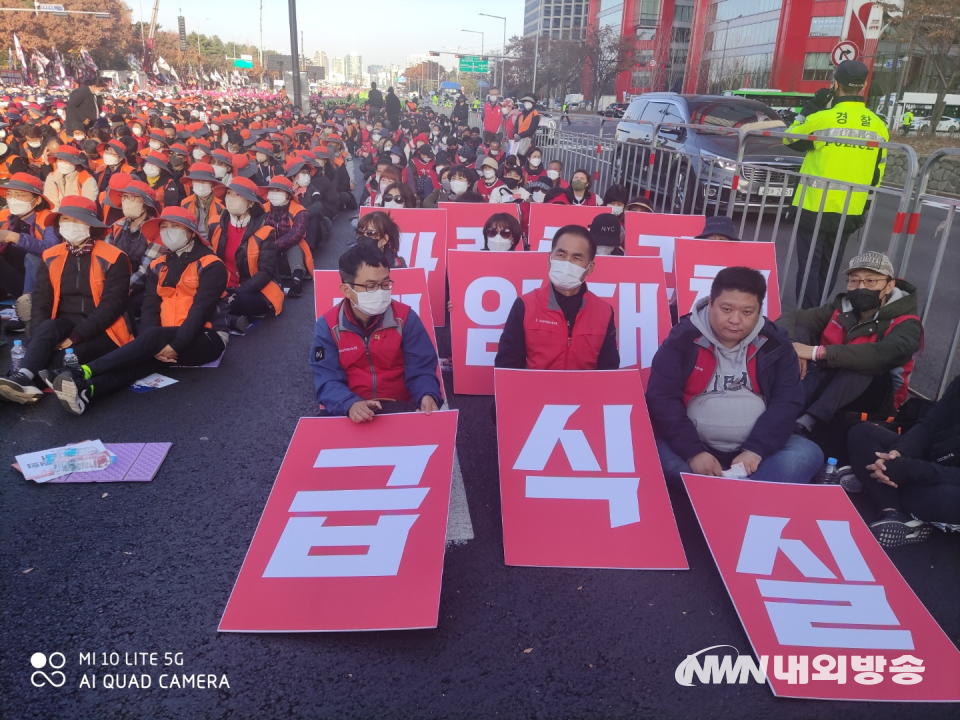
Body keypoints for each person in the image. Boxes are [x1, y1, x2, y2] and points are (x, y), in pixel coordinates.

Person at [647, 266, 823, 485]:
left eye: (747, 312)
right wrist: (693, 452)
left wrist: (756, 450)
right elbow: (662, 398)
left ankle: (716, 495)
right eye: (727, 309)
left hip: (758, 452)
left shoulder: (776, 343)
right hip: (694, 447)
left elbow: (787, 400)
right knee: (651, 455)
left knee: (806, 454)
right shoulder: (682, 339)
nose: (735, 320)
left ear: (759, 309)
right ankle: (749, 494)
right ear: (710, 303)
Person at [49, 207, 228, 416]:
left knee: (148, 344)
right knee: (142, 362)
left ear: (190, 232)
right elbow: (150, 306)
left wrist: (175, 345)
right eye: (164, 226)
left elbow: (201, 310)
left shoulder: (211, 264)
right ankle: (89, 390)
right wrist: (150, 345)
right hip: (166, 337)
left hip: (207, 336)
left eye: (175, 226)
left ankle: (82, 370)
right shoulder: (158, 264)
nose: (168, 231)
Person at [0, 197, 132, 404]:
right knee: (46, 330)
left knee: (61, 359)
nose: (70, 225)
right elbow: (42, 300)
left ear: (90, 225)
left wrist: (76, 336)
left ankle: (23, 387)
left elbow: (112, 306)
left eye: (77, 221)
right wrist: (38, 340)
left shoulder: (115, 257)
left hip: (104, 329)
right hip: (62, 323)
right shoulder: (51, 255)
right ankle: (23, 376)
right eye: (65, 220)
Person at [777, 251, 923, 437]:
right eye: (854, 281)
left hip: (875, 397)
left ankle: (809, 421)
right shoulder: (841, 308)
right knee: (799, 332)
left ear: (889, 286)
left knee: (863, 363)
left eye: (870, 281)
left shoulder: (907, 322)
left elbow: (885, 354)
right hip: (829, 380)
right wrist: (792, 347)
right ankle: (786, 403)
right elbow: (792, 317)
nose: (861, 287)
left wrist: (816, 352)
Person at [783, 60, 888, 309]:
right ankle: (818, 311)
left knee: (810, 266)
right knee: (829, 267)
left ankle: (808, 317)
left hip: (813, 205)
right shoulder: (878, 124)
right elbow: (877, 173)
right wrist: (864, 207)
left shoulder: (822, 118)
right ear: (863, 86)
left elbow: (790, 138)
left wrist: (811, 107)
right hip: (850, 208)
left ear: (836, 84)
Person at [310, 243, 442, 421]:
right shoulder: (326, 327)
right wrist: (349, 403)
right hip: (351, 409)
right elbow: (326, 377)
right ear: (346, 290)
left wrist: (427, 394)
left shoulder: (405, 318)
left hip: (401, 406)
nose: (380, 292)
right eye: (370, 286)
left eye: (385, 283)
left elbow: (422, 368)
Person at [847, 374, 960, 547]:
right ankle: (893, 511)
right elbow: (929, 426)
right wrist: (897, 454)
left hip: (948, 483)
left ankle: (876, 482)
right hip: (933, 460)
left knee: (948, 500)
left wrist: (908, 470)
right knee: (862, 433)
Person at [495, 225, 619, 370]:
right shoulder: (525, 305)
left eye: (576, 258)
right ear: (550, 259)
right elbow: (508, 364)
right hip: (535, 391)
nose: (567, 263)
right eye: (561, 255)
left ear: (590, 268)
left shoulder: (603, 312)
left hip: (584, 392)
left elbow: (609, 369)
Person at [209, 177, 285, 330]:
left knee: (236, 301)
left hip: (254, 289)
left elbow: (265, 273)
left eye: (238, 195)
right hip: (223, 286)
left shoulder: (265, 232)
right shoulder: (215, 225)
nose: (231, 198)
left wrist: (237, 292)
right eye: (229, 193)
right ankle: (228, 319)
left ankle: (220, 316)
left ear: (250, 203)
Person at [0, 173, 54, 303]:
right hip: (9, 279)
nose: (13, 199)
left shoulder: (48, 220)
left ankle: (28, 306)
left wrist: (15, 237)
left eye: (19, 195)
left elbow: (51, 249)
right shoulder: (5, 216)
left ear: (37, 200)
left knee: (33, 256)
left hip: (35, 284)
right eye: (10, 194)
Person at [262, 175, 313, 299]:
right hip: (269, 250)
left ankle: (297, 281)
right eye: (272, 190)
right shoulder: (264, 209)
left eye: (279, 190)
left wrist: (275, 245)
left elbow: (296, 233)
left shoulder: (299, 210)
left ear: (288, 194)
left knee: (294, 246)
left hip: (290, 249)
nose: (274, 193)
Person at [43, 145, 98, 211]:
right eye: (60, 160)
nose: (63, 163)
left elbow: (87, 206)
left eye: (67, 160)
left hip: (79, 217)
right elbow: (51, 204)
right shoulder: (52, 177)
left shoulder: (87, 180)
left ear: (75, 163)